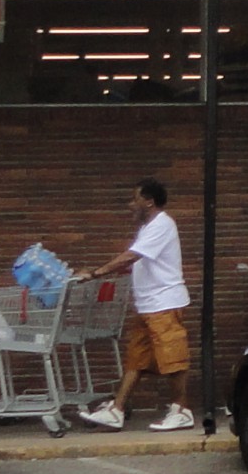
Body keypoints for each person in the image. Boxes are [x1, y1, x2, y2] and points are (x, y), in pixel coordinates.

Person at [79, 178, 196, 431]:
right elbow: (140, 261)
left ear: (149, 201)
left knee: (172, 360)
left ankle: (182, 410)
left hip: (164, 303)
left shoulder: (162, 224)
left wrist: (98, 272)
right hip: (148, 305)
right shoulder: (148, 227)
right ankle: (117, 410)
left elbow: (133, 255)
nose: (131, 205)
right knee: (137, 360)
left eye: (135, 199)